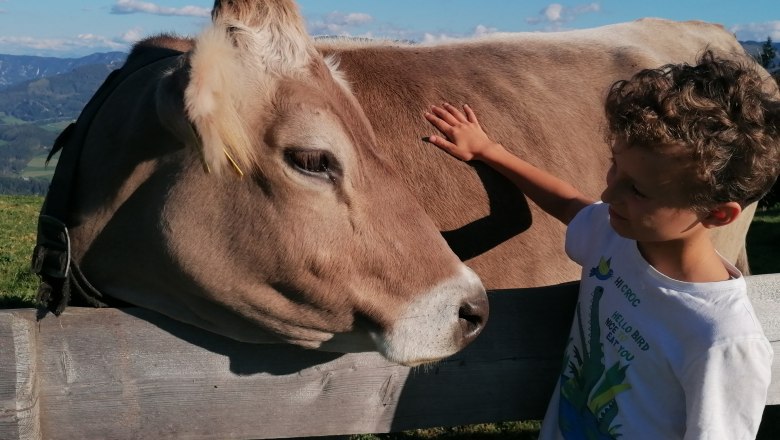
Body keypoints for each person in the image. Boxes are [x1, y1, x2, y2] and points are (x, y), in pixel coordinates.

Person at [423, 51, 779, 439]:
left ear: (717, 215)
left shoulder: (722, 340)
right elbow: (566, 202)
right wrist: (488, 151)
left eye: (638, 190)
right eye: (615, 167)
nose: (608, 194)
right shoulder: (616, 238)